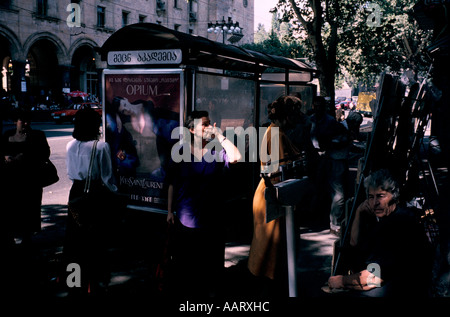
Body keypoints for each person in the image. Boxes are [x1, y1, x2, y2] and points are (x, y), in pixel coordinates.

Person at [165, 110, 241, 296]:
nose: (209, 127)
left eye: (210, 123)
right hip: (186, 219)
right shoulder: (180, 151)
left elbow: (235, 157)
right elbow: (172, 184)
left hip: (212, 219)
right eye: (204, 125)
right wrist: (169, 211)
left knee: (212, 267)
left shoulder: (217, 150)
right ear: (191, 130)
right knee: (188, 267)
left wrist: (221, 136)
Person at [327, 169, 432, 297]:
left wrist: (342, 281)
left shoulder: (398, 223)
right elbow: (354, 243)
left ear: (393, 196)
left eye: (381, 196)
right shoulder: (385, 219)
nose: (375, 203)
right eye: (371, 197)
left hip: (407, 288)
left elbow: (373, 279)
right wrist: (359, 212)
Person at [247, 95, 302, 295]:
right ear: (287, 116)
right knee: (268, 247)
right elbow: (282, 168)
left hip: (271, 191)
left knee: (269, 247)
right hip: (273, 193)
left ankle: (267, 286)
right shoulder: (276, 134)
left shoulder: (275, 131)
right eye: (294, 116)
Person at [64, 107, 118, 295]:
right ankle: (93, 283)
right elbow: (107, 178)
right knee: (94, 241)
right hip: (94, 194)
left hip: (75, 192)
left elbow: (71, 173)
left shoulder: (70, 145)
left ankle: (74, 281)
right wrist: (116, 192)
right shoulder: (101, 146)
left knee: (74, 240)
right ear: (95, 126)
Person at [1, 109, 50, 247]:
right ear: (15, 122)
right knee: (10, 209)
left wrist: (25, 157)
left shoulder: (38, 135)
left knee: (30, 209)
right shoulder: (7, 135)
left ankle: (27, 238)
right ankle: (10, 237)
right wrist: (5, 157)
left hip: (30, 181)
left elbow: (45, 154)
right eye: (22, 121)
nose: (26, 124)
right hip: (11, 180)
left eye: (28, 121)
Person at [310, 96, 357, 234]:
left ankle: (333, 222)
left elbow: (334, 141)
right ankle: (325, 220)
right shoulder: (310, 120)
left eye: (320, 106)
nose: (317, 109)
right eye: (315, 106)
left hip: (330, 159)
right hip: (320, 159)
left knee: (336, 193)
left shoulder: (331, 122)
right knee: (326, 191)